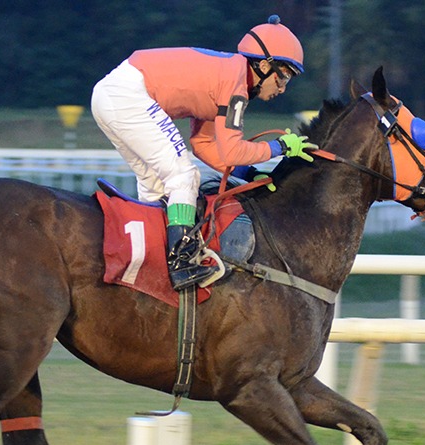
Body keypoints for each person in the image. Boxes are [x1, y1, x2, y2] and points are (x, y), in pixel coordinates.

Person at [91, 15, 317, 291]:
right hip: (127, 95)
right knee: (184, 176)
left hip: (111, 94)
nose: (282, 88)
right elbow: (232, 151)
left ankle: (152, 261)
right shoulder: (235, 84)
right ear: (264, 65)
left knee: (157, 186)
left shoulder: (229, 74)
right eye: (284, 76)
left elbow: (204, 145)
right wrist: (280, 147)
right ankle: (181, 263)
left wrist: (247, 173)